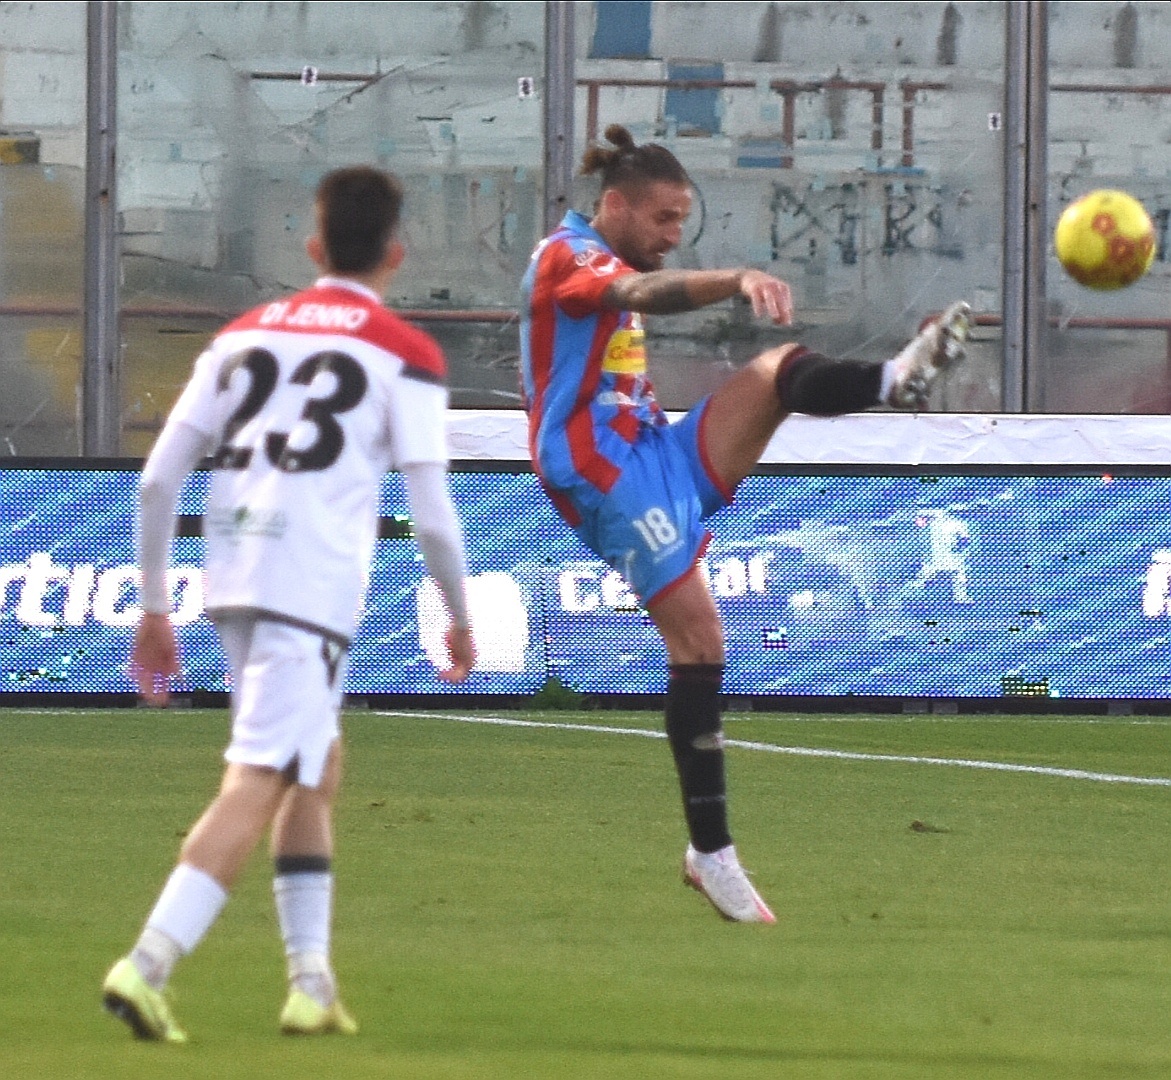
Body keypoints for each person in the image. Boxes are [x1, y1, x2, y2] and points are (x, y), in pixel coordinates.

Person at [519, 124, 969, 923]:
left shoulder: (607, 252)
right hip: (600, 466)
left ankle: (894, 378)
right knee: (700, 641)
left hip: (652, 448)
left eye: (680, 220)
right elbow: (639, 295)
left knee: (775, 370)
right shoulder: (569, 256)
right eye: (662, 218)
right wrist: (733, 278)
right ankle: (711, 852)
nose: (672, 234)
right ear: (614, 205)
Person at [102, 166, 476, 1042]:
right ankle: (147, 964)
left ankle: (311, 982)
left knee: (316, 763)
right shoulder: (405, 352)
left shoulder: (240, 336)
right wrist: (458, 615)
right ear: (396, 253)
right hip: (309, 591)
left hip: (235, 577)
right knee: (261, 774)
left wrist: (155, 606)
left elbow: (156, 481)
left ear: (313, 247)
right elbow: (432, 515)